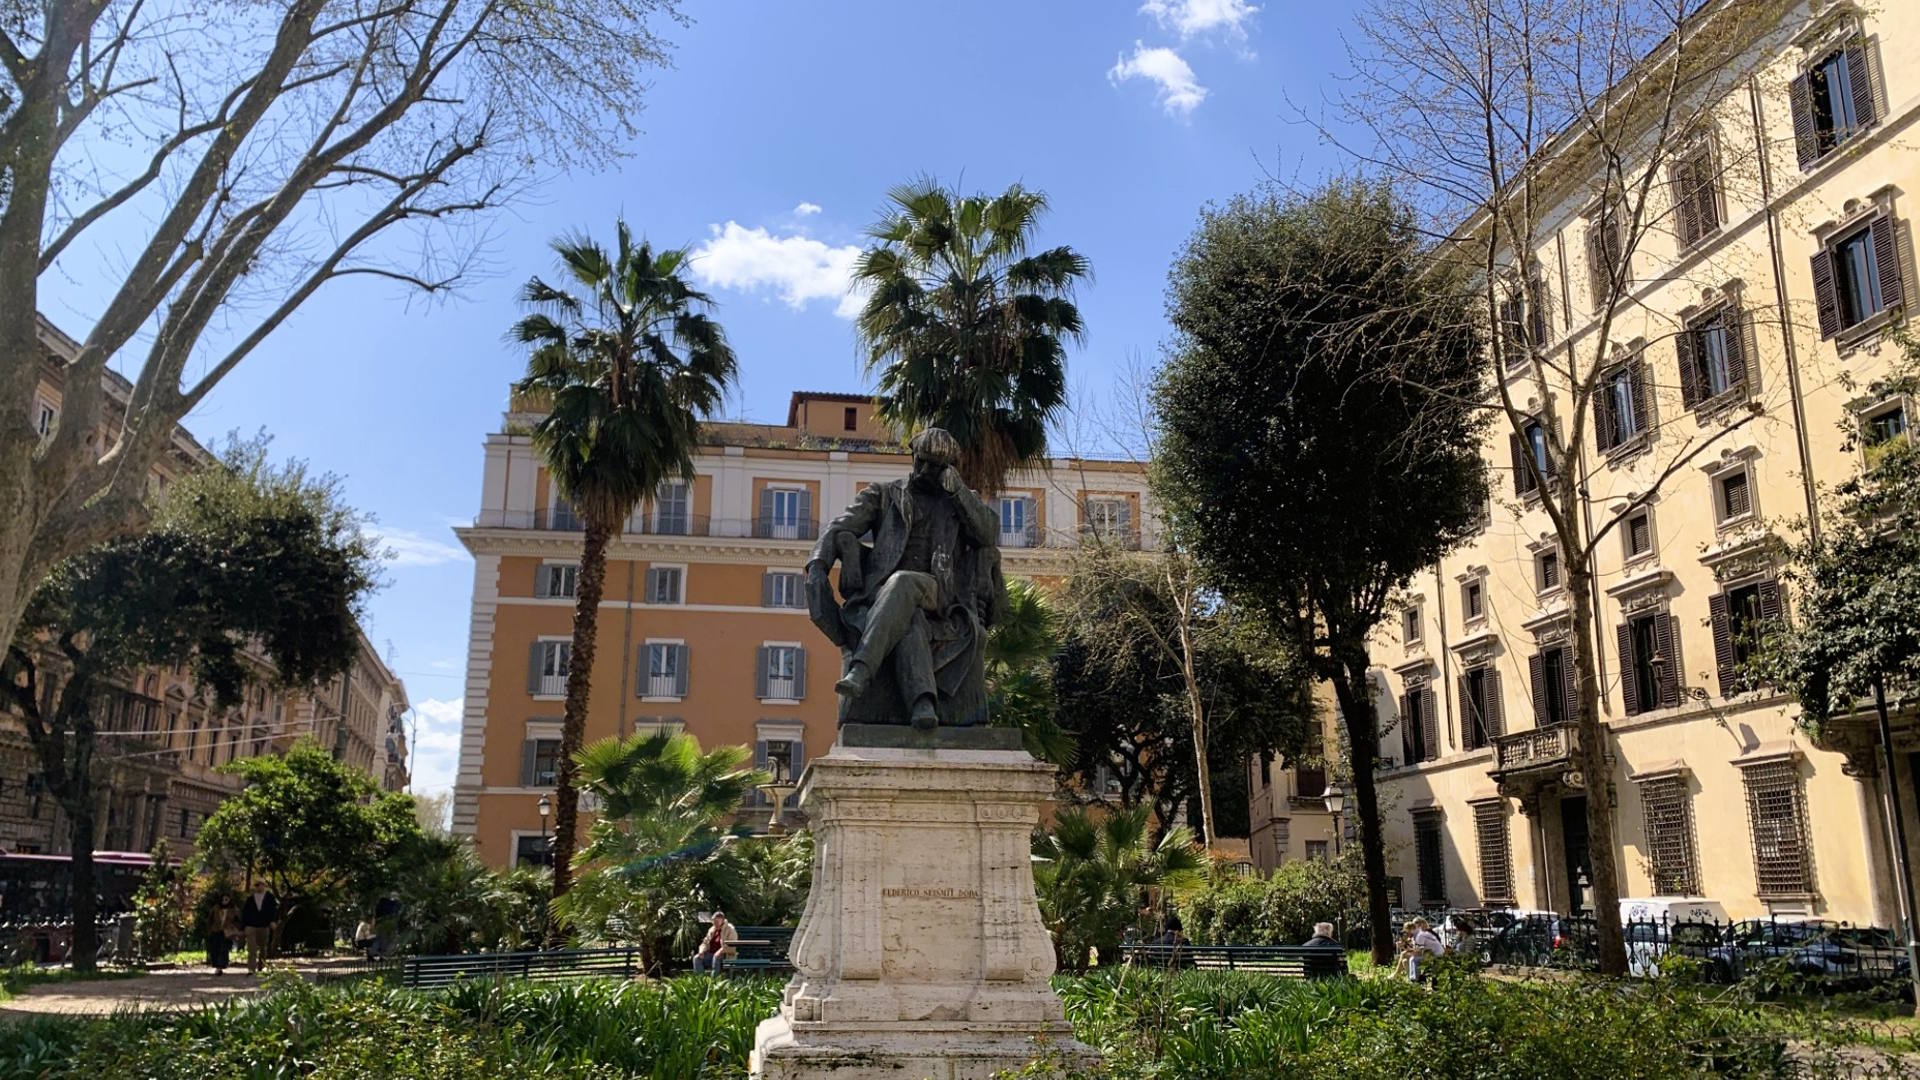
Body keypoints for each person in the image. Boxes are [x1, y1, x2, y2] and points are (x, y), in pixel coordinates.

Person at [240, 883, 278, 975]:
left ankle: (262, 966)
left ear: (264, 885)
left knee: (263, 948)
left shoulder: (270, 898)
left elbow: (274, 910)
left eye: (260, 885)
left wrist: (272, 921)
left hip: (264, 925)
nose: (258, 887)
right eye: (256, 885)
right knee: (251, 948)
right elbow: (245, 913)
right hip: (251, 926)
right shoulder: (250, 899)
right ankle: (251, 968)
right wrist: (244, 927)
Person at [207, 896, 240, 975]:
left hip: (227, 931)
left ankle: (221, 966)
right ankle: (216, 965)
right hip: (215, 930)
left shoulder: (234, 909)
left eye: (226, 899)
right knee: (215, 949)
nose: (224, 901)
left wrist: (235, 928)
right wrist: (209, 929)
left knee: (224, 949)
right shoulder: (215, 908)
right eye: (223, 899)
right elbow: (210, 919)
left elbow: (238, 920)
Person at [1407, 916, 1445, 982]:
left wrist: (1408, 949)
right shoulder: (1420, 934)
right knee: (1406, 959)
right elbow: (1418, 948)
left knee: (1412, 959)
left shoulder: (1423, 934)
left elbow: (1419, 950)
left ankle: (1415, 980)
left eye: (1415, 924)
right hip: (1431, 954)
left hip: (1435, 955)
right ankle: (1415, 979)